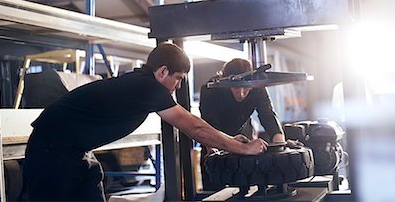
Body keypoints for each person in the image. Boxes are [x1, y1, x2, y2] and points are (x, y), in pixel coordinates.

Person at [23, 43, 268, 201]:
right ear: (163, 72)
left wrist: (228, 140)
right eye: (178, 78)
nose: (179, 86)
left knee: (91, 186)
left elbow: (193, 122)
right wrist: (243, 148)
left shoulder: (143, 85)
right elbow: (193, 127)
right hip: (51, 151)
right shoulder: (147, 87)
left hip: (74, 151)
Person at [199, 58, 288, 191]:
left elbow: (267, 115)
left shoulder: (257, 87)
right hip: (214, 139)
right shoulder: (211, 89)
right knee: (214, 191)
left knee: (247, 190)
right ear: (226, 81)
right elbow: (208, 125)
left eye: (245, 87)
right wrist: (213, 153)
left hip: (243, 137)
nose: (241, 94)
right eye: (235, 87)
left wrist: (281, 148)